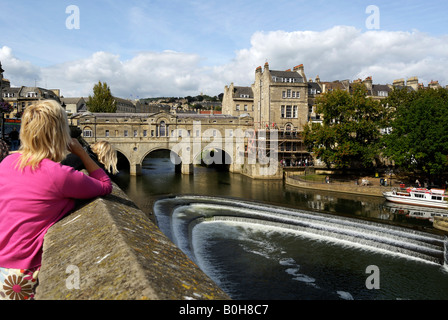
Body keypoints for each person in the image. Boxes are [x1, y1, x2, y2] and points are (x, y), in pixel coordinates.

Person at [0, 100, 113, 300]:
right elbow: (105, 185)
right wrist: (82, 153)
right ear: (61, 134)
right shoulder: (60, 175)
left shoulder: (7, 163)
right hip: (22, 273)